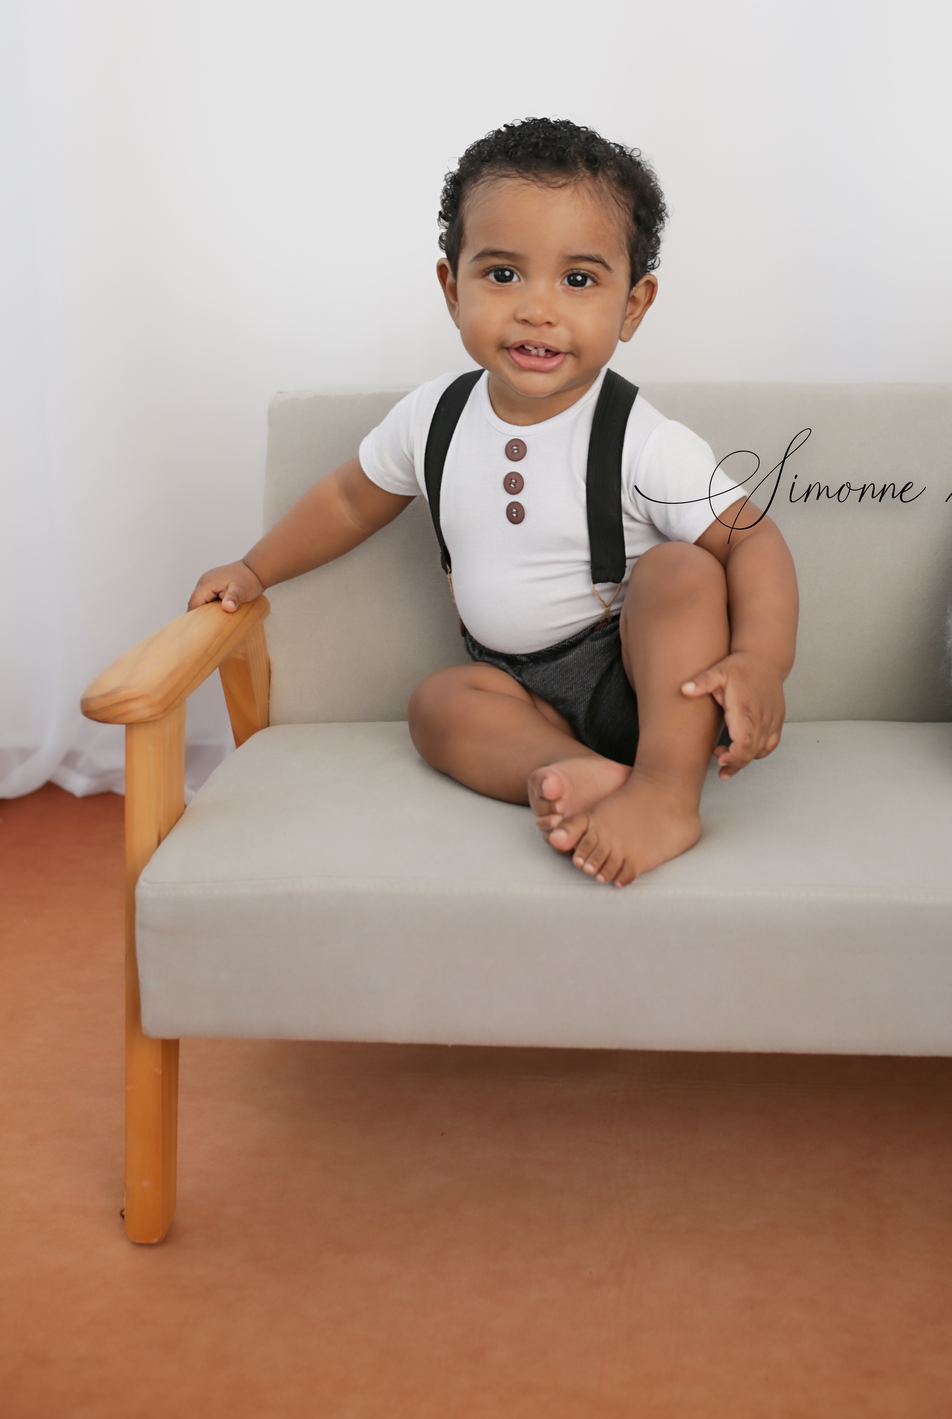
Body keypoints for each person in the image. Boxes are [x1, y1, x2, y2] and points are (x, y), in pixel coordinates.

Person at [189, 118, 799, 887]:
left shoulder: (642, 440)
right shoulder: (433, 417)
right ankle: (575, 771)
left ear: (633, 305)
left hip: (644, 688)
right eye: (504, 274)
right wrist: (254, 570)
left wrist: (761, 662)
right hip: (515, 691)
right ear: (453, 289)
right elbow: (347, 499)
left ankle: (667, 792)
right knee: (438, 704)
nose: (537, 309)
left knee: (684, 569)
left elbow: (754, 540)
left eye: (578, 280)